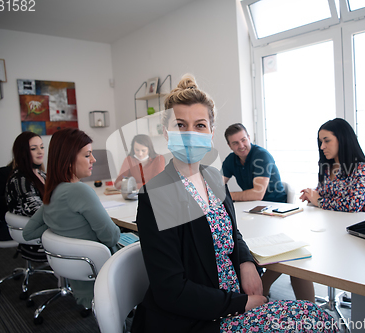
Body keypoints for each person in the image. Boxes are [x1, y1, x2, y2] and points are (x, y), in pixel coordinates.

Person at [131, 74, 337, 333]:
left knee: (321, 317)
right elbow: (171, 291)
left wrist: (246, 261)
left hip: (235, 296)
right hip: (201, 317)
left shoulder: (214, 179)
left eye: (200, 125)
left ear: (211, 132)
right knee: (318, 323)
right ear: (166, 132)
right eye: (180, 125)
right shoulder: (157, 194)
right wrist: (242, 303)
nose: (190, 134)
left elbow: (232, 232)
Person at [23, 128, 120, 314]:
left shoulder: (52, 194)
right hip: (104, 277)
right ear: (68, 161)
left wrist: (58, 225)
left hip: (81, 283)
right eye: (87, 155)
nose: (94, 160)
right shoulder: (80, 191)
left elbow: (29, 233)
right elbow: (112, 237)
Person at [300, 118, 365, 212]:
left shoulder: (361, 169)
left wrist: (319, 201)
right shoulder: (327, 167)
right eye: (321, 142)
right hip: (328, 220)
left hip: (352, 223)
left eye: (327, 141)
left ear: (342, 140)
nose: (322, 147)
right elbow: (324, 193)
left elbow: (353, 205)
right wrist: (311, 193)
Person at [222, 123, 287, 203]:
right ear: (229, 146)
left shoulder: (262, 155)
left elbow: (257, 194)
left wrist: (226, 196)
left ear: (249, 138)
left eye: (243, 140)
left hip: (275, 205)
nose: (241, 146)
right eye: (235, 143)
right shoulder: (231, 159)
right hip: (251, 206)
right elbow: (218, 185)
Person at [6, 131, 46, 217]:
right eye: (33, 149)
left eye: (42, 147)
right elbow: (37, 211)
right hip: (36, 228)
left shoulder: (43, 175)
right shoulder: (20, 180)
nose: (40, 152)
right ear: (22, 152)